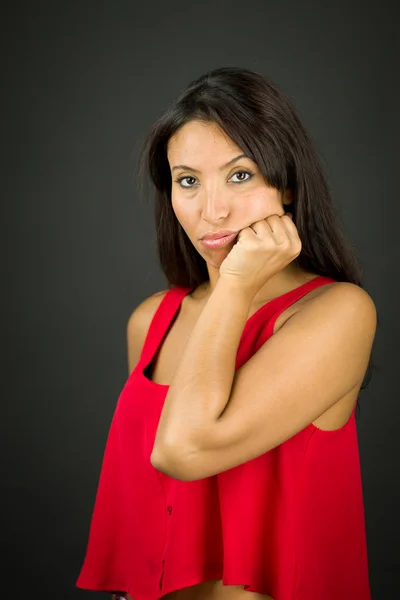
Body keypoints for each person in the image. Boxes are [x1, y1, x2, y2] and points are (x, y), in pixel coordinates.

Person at [76, 67, 377, 600]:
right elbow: (151, 512)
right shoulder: (152, 322)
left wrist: (234, 284)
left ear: (284, 183)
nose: (212, 210)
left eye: (240, 175)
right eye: (187, 181)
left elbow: (183, 450)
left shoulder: (338, 312)